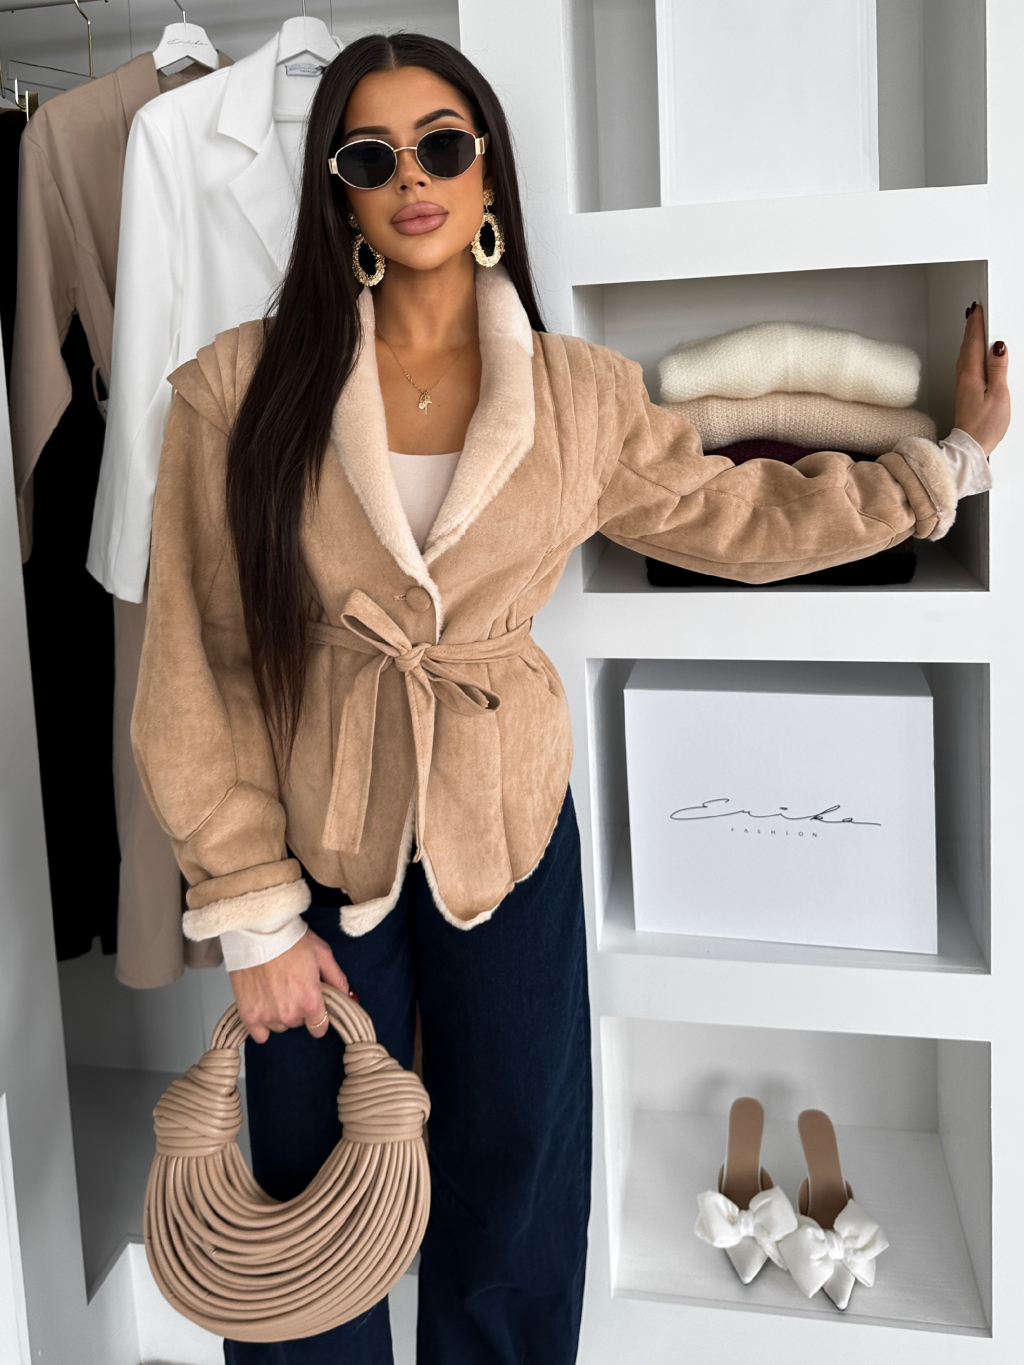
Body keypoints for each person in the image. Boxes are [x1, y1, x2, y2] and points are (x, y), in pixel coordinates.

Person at [132, 31, 1010, 1365]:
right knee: (310, 1194)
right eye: (373, 155)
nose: (413, 176)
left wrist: (945, 466)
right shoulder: (242, 386)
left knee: (518, 1179)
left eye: (443, 145)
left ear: (487, 171)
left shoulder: (578, 396)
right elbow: (200, 659)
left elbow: (740, 517)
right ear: (337, 193)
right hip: (317, 847)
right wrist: (251, 911)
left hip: (510, 828)